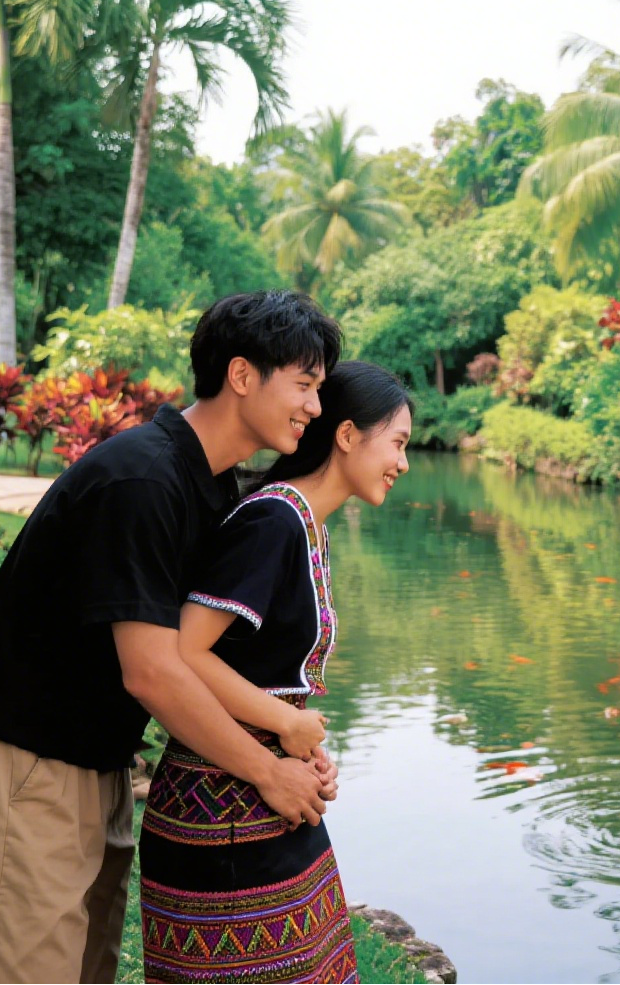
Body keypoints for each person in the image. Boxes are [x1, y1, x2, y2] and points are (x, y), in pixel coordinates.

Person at [0, 290, 343, 985]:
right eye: (304, 385)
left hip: (96, 762)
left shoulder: (206, 485)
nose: (314, 406)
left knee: (87, 966)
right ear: (242, 375)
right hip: (34, 761)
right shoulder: (144, 479)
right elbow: (153, 671)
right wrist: (266, 771)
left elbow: (196, 655)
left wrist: (291, 737)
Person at [138, 360, 412, 984]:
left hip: (267, 798)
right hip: (222, 811)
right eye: (397, 443)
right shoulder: (273, 521)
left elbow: (262, 668)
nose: (402, 463)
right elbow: (185, 649)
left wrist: (301, 742)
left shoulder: (306, 525)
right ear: (347, 435)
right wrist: (285, 724)